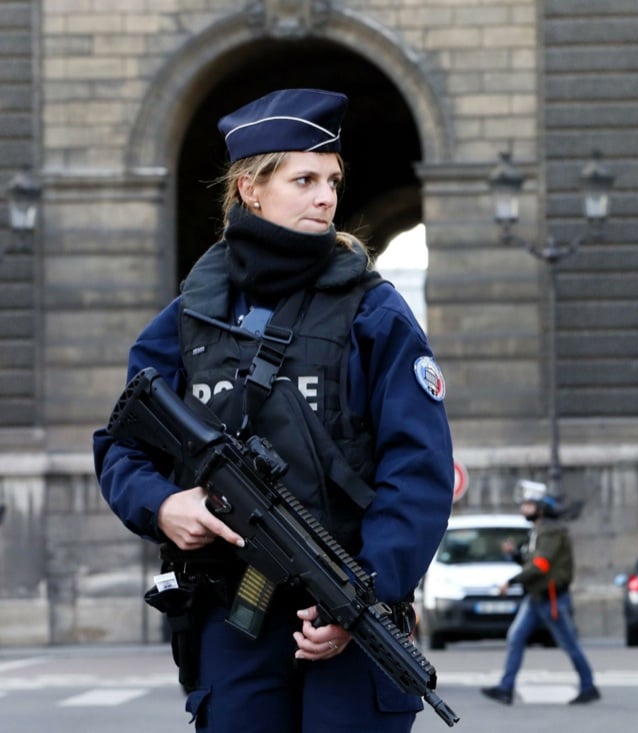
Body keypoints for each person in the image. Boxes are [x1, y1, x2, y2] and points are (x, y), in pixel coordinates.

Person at [92, 88, 454, 733]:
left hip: (345, 604)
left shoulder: (375, 312)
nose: (326, 197)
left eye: (333, 181)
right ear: (251, 189)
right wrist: (163, 506)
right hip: (232, 614)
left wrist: (366, 593)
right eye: (305, 179)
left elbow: (418, 468)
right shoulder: (190, 316)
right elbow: (122, 446)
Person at [481, 480, 600, 706]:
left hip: (552, 598)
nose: (523, 509)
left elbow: (541, 566)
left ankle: (589, 686)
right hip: (536, 597)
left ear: (541, 508)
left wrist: (511, 581)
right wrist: (516, 555)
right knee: (516, 637)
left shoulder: (550, 531)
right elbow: (533, 562)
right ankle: (506, 689)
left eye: (528, 505)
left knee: (569, 644)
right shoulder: (540, 530)